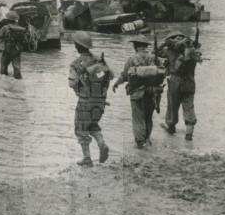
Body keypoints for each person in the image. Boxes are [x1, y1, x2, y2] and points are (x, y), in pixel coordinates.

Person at [68, 31, 113, 167]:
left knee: (81, 128)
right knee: (93, 124)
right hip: (100, 101)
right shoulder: (99, 60)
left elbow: (71, 83)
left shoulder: (76, 63)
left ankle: (87, 158)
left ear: (77, 46)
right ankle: (101, 143)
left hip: (85, 101)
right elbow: (110, 76)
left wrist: (79, 87)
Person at [112, 35, 163, 148]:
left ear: (135, 46)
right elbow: (163, 71)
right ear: (145, 46)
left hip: (137, 93)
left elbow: (124, 75)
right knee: (148, 117)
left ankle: (140, 143)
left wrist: (116, 84)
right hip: (152, 92)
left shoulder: (131, 59)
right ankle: (147, 139)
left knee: (138, 118)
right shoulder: (154, 58)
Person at [159, 31, 201, 140]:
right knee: (189, 106)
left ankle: (171, 127)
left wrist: (164, 43)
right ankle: (189, 133)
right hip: (189, 81)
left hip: (175, 81)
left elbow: (156, 52)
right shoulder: (193, 51)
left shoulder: (169, 51)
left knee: (172, 105)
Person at [0, 11, 27, 79]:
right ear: (15, 19)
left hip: (7, 48)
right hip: (17, 48)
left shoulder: (5, 27)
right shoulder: (20, 28)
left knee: (4, 65)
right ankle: (18, 79)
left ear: (8, 19)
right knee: (16, 66)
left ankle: (4, 79)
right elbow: (25, 39)